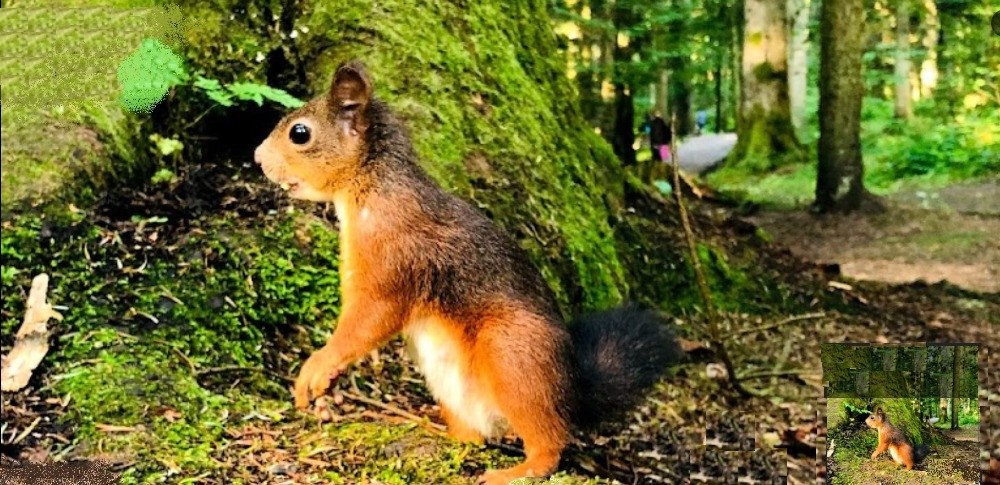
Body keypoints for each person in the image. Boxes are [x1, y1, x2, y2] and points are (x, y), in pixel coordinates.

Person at [254, 60, 682, 485]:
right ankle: (465, 431)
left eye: (300, 137)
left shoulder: (393, 212)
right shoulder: (370, 206)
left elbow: (382, 301)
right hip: (457, 342)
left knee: (511, 338)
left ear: (353, 125)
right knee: (435, 345)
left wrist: (331, 355)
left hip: (495, 331)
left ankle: (541, 453)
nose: (265, 158)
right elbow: (373, 293)